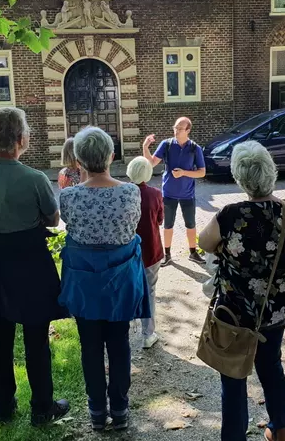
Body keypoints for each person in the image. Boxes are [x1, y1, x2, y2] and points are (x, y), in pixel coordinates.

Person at [0, 107, 71, 426]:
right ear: (22, 139)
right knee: (36, 339)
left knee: (1, 338)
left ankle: (4, 407)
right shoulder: (34, 178)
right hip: (30, 265)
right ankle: (41, 408)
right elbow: (53, 218)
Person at [199, 141, 285, 441]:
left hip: (235, 310)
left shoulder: (231, 215)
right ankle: (279, 427)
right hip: (274, 306)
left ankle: (234, 437)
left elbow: (204, 243)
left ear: (240, 177)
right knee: (271, 366)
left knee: (232, 377)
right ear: (271, 170)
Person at [58, 127, 151, 431]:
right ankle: (120, 409)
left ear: (79, 160)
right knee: (120, 344)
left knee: (90, 348)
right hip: (120, 283)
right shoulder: (130, 192)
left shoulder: (69, 197)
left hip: (85, 286)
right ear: (111, 156)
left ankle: (97, 411)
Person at [142, 117, 207, 267]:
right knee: (168, 225)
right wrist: (146, 147)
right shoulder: (167, 144)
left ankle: (193, 253)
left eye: (180, 129)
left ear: (188, 130)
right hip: (168, 193)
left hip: (188, 194)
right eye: (175, 128)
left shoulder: (194, 148)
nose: (176, 131)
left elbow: (202, 172)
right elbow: (151, 163)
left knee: (190, 224)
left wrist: (184, 172)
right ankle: (167, 255)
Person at [126, 156, 164, 349]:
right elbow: (159, 220)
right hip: (151, 249)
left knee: (127, 289)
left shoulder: (122, 192)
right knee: (149, 290)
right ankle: (148, 334)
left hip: (127, 251)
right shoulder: (155, 194)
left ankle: (125, 328)